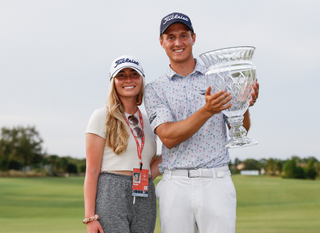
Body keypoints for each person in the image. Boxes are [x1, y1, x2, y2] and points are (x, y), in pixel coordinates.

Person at [144, 12, 259, 233]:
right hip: (175, 184)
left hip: (215, 179)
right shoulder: (155, 88)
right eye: (170, 37)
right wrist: (207, 111)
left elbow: (241, 129)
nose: (178, 42)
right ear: (162, 42)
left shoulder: (218, 77)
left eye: (183, 35)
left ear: (193, 37)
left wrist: (243, 106)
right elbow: (167, 137)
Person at [83, 55, 162, 233]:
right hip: (111, 192)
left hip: (144, 194)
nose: (128, 79)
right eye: (121, 75)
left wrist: (176, 152)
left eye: (134, 74)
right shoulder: (101, 116)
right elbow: (92, 171)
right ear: (114, 82)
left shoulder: (150, 122)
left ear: (141, 80)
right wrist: (90, 218)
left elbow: (149, 169)